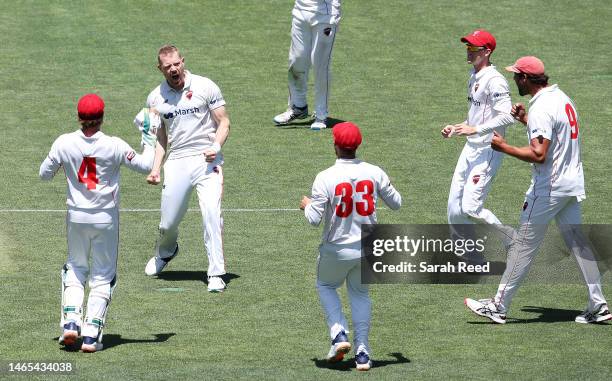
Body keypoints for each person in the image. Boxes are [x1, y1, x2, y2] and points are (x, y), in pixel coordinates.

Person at [465, 56, 611, 324]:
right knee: (578, 244)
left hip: (549, 189)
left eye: (516, 76)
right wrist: (525, 120)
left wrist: (504, 148)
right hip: (571, 184)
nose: (513, 80)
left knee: (522, 245)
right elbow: (551, 133)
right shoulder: (562, 99)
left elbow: (539, 154)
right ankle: (599, 306)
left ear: (525, 79)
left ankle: (498, 306)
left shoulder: (542, 107)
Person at [39, 94, 156, 352]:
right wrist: (148, 135)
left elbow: (44, 174)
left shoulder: (64, 142)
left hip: (76, 217)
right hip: (105, 218)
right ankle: (91, 335)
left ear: (79, 118)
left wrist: (60, 162)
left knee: (75, 268)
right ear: (102, 118)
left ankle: (71, 321)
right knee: (103, 275)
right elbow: (147, 164)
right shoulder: (114, 145)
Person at [300, 122, 401, 370]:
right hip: (368, 247)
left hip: (337, 249)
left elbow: (314, 220)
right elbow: (396, 203)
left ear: (335, 145)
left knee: (325, 285)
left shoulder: (325, 177)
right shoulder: (374, 172)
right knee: (360, 294)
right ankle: (363, 353)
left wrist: (307, 205)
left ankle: (338, 334)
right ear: (358, 145)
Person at [143, 45, 230, 293]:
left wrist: (215, 145)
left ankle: (216, 272)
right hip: (177, 160)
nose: (174, 70)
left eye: (176, 64)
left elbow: (223, 122)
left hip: (206, 159)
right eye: (167, 67)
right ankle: (167, 251)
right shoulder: (155, 98)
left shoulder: (205, 86)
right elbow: (161, 137)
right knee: (168, 223)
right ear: (159, 69)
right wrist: (155, 168)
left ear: (183, 61)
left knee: (211, 213)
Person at [441, 29, 515, 244]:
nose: (469, 51)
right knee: (454, 208)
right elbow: (474, 118)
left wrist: (475, 129)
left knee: (471, 208)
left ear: (487, 52)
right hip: (470, 147)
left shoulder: (496, 81)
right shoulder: (474, 76)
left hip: (488, 149)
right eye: (468, 47)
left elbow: (507, 117)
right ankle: (468, 256)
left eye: (474, 48)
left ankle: (513, 240)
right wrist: (457, 127)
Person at [273, 0, 341, 130]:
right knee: (296, 60)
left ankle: (321, 115)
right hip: (300, 11)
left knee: (320, 66)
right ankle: (298, 107)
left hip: (325, 14)